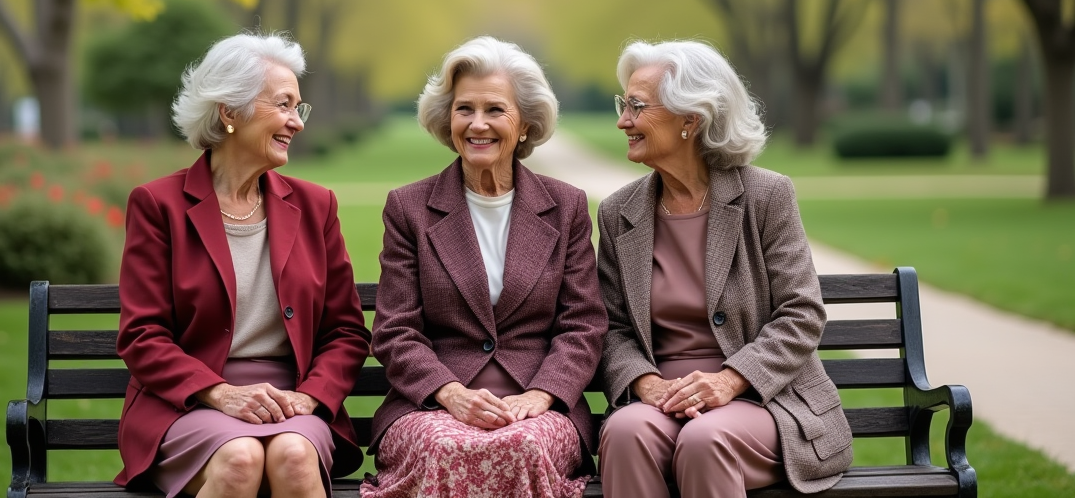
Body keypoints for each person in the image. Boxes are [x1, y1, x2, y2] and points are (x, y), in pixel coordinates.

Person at [114, 32, 371, 498]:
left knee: (293, 456)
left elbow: (347, 332)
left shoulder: (316, 206)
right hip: (189, 403)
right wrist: (221, 394)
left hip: (293, 401)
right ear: (229, 112)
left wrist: (310, 397)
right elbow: (142, 334)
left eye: (299, 107)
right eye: (283, 104)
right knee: (240, 458)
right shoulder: (158, 205)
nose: (297, 122)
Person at [596, 40, 853, 497]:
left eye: (636, 106)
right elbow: (612, 328)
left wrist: (729, 381)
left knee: (704, 440)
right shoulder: (620, 213)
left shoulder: (765, 196)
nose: (622, 121)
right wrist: (646, 384)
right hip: (661, 397)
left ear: (690, 120)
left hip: (763, 399)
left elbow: (802, 313)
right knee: (624, 432)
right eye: (624, 104)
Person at [362, 37, 608, 498]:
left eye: (495, 109)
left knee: (522, 444)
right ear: (447, 119)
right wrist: (451, 394)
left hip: (539, 408)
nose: (478, 124)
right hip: (431, 407)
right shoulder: (409, 208)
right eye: (464, 109)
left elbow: (583, 324)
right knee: (445, 445)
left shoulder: (566, 206)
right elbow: (396, 330)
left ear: (526, 125)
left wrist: (541, 396)